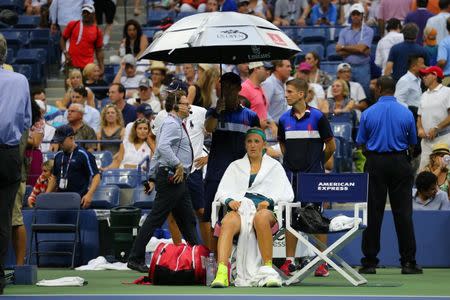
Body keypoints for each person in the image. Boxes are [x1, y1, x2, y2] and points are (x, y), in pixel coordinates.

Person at [211, 128, 294, 288]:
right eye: (249, 141)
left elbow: (287, 193)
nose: (253, 145)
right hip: (239, 208)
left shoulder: (275, 166)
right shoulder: (235, 166)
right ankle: (222, 272)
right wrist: (229, 200)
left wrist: (270, 201)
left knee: (261, 217)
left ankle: (268, 271)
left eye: (257, 141)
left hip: (265, 210)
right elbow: (221, 191)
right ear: (245, 145)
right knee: (227, 221)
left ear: (264, 145)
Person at [127, 90, 200, 273]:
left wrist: (151, 176)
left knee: (188, 220)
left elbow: (158, 153)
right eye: (184, 103)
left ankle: (197, 256)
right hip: (172, 177)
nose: (188, 106)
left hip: (176, 178)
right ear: (175, 106)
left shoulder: (173, 123)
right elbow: (162, 148)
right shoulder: (172, 124)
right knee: (156, 218)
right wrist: (178, 164)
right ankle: (135, 258)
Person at [356, 76, 422, 275]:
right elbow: (412, 141)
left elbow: (361, 142)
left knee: (373, 213)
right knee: (403, 213)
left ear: (378, 90)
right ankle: (408, 263)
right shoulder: (406, 113)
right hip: (400, 162)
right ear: (393, 90)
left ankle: (369, 262)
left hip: (376, 162)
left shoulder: (368, 113)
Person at [278, 78, 335, 278]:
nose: (286, 95)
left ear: (301, 94)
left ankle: (322, 262)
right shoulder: (284, 120)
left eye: (290, 91)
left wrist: (317, 164)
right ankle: (289, 262)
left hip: (314, 178)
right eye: (286, 91)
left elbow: (331, 147)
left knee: (316, 218)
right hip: (291, 178)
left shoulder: (318, 117)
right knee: (291, 218)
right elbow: (283, 147)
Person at [202, 72, 260, 251]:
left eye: (229, 86)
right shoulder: (213, 112)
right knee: (211, 218)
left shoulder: (250, 116)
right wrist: (217, 112)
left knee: (243, 216)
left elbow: (257, 142)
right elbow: (208, 128)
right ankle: (212, 260)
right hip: (216, 173)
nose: (225, 90)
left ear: (238, 88)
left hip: (241, 176)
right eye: (222, 86)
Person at [0, 34, 32, 296]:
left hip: (9, 152)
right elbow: (25, 122)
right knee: (3, 218)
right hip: (8, 154)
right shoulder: (20, 80)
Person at [46, 125, 100, 209]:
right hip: (60, 200)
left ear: (71, 138)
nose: (60, 144)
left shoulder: (83, 154)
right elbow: (54, 177)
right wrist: (47, 195)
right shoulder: (58, 155)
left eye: (61, 141)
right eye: (58, 141)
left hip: (79, 200)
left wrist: (89, 194)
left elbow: (96, 176)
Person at [336, 3, 374, 96]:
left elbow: (361, 48)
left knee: (365, 94)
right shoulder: (344, 31)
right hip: (347, 67)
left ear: (362, 15)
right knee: (346, 93)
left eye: (358, 14)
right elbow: (339, 51)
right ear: (350, 15)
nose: (356, 16)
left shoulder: (368, 30)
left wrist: (344, 47)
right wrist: (359, 49)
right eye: (353, 14)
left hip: (363, 67)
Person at [417, 66, 450, 170]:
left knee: (444, 173)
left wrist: (437, 128)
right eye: (423, 75)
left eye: (426, 74)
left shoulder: (447, 91)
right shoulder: (423, 95)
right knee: (424, 174)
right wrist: (420, 129)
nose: (423, 77)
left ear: (435, 75)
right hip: (426, 142)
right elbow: (419, 116)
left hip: (443, 140)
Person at [61, 4, 104, 73]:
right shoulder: (73, 24)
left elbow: (99, 50)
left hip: (88, 68)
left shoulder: (97, 31)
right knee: (70, 83)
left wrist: (101, 67)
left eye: (88, 12)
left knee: (86, 84)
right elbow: (63, 39)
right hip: (71, 65)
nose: (85, 14)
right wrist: (65, 53)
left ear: (93, 14)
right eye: (84, 12)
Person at [239, 61, 276, 134]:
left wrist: (271, 122)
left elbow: (262, 111)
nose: (268, 72)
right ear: (256, 69)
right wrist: (256, 123)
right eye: (266, 69)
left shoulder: (260, 87)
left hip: (259, 135)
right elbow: (239, 116)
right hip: (249, 136)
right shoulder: (244, 88)